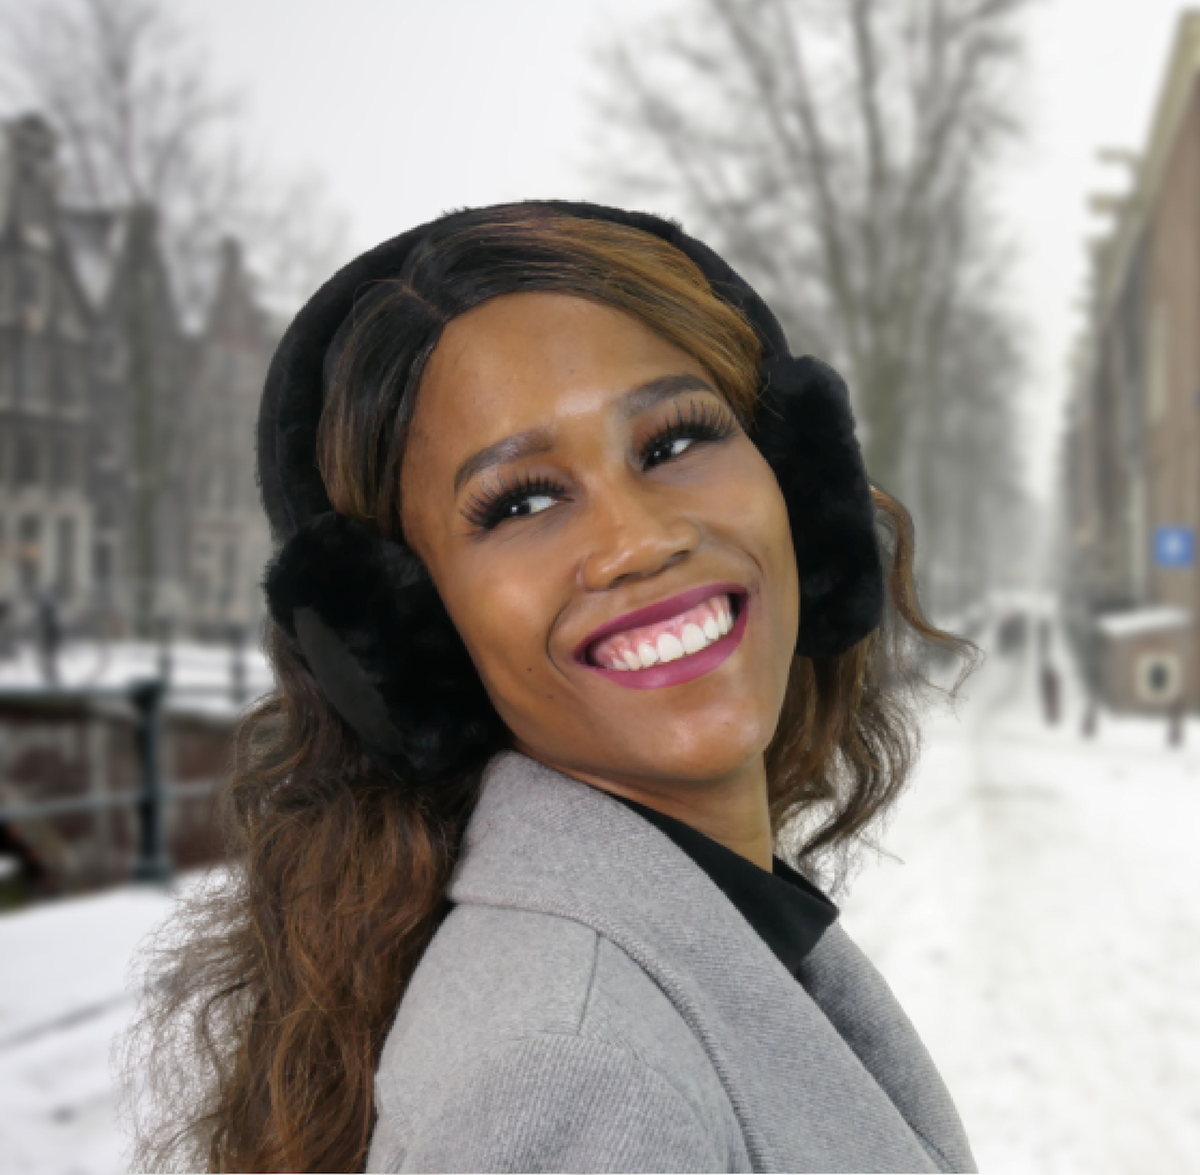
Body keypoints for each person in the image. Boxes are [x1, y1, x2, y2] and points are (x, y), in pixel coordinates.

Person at [121, 202, 981, 1173]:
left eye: (673, 443)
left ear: (798, 486)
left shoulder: (696, 937)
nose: (638, 540)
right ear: (410, 637)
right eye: (522, 501)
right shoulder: (576, 1070)